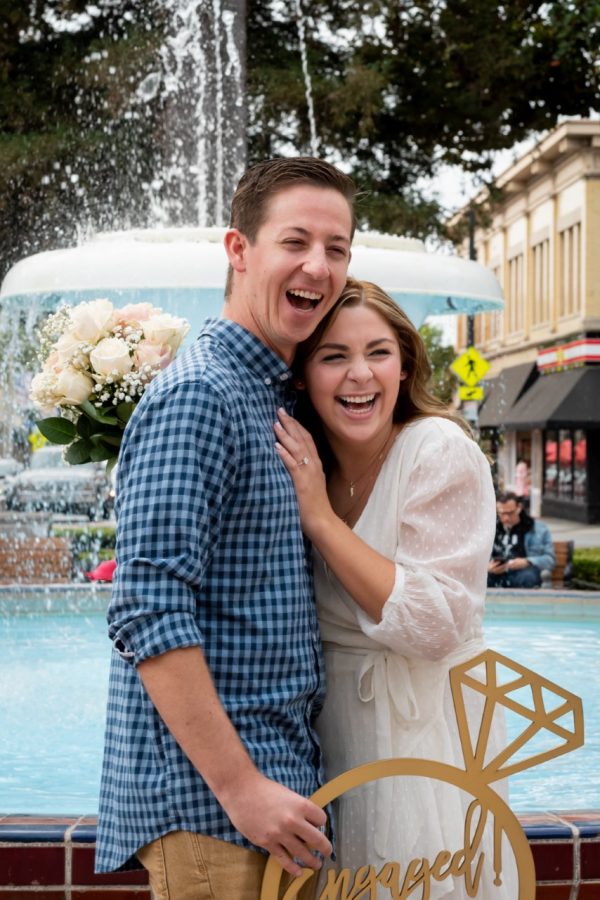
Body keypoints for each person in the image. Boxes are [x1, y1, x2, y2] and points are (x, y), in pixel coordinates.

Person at [95, 157, 356, 899]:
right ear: (239, 251)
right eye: (296, 241)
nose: (318, 265)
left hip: (273, 794)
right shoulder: (200, 395)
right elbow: (147, 608)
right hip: (217, 809)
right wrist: (243, 788)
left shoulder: (266, 392)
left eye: (337, 248)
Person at [274, 279, 517, 898]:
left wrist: (322, 521)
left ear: (405, 364)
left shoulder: (439, 451)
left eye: (378, 353)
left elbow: (435, 624)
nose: (361, 376)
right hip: (334, 734)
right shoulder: (300, 460)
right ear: (302, 375)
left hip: (428, 727)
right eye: (334, 356)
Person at [488, 491, 555, 588]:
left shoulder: (538, 529)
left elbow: (550, 560)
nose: (506, 518)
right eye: (501, 513)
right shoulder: (491, 529)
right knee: (483, 579)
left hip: (523, 574)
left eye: (510, 513)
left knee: (528, 577)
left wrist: (527, 562)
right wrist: (487, 568)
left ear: (519, 508)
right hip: (495, 574)